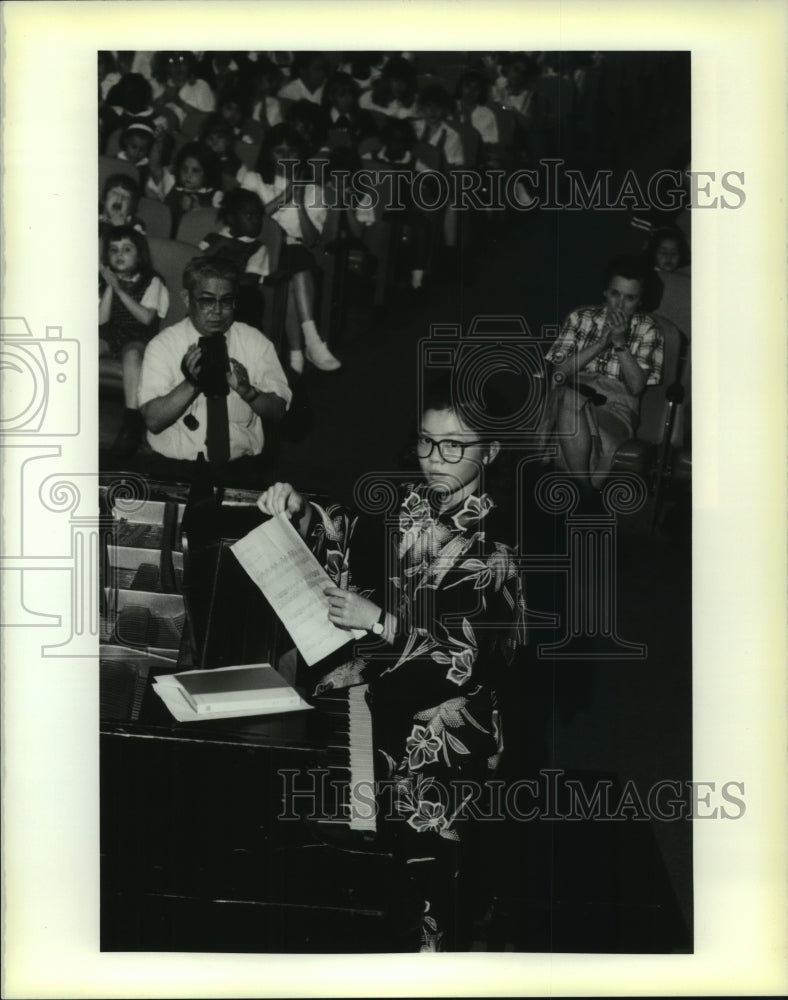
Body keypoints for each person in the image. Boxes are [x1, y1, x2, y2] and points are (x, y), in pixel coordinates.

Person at [256, 376, 527, 951]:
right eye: (427, 442)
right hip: (390, 702)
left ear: (492, 451)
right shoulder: (414, 501)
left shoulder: (500, 546)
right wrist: (302, 510)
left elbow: (469, 658)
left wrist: (379, 622)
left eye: (455, 445)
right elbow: (352, 537)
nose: (435, 459)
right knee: (386, 868)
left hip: (448, 737)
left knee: (431, 879)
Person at [138, 257, 291, 473]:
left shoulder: (255, 342)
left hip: (240, 467)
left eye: (226, 301)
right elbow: (153, 421)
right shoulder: (163, 345)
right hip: (174, 466)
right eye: (207, 301)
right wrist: (191, 383)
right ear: (186, 298)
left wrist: (249, 393)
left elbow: (278, 412)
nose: (217, 311)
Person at [542, 254, 664, 489]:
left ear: (640, 301)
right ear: (605, 293)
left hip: (615, 409)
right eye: (615, 294)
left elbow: (637, 387)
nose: (619, 304)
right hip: (570, 397)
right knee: (569, 396)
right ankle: (586, 491)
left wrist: (619, 344)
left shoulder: (650, 329)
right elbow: (558, 375)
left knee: (568, 421)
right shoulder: (580, 317)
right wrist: (600, 344)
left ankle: (580, 491)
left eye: (630, 298)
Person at [241, 123, 341, 373]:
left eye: (291, 152)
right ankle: (311, 344)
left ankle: (297, 359)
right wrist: (283, 198)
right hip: (256, 251)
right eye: (278, 152)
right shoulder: (253, 180)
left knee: (296, 262)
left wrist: (298, 202)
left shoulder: (314, 191)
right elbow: (247, 222)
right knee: (297, 261)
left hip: (295, 256)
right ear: (268, 154)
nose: (285, 158)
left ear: (300, 156)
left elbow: (311, 240)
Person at [99, 225, 170, 457]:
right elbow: (102, 320)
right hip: (111, 334)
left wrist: (119, 290)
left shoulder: (153, 282)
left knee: (132, 355)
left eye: (126, 249)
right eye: (113, 249)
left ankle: (131, 422)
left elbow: (146, 317)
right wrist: (110, 285)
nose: (119, 254)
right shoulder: (106, 282)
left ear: (139, 255)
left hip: (139, 336)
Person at [198, 188, 269, 328]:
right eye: (249, 215)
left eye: (258, 216)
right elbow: (195, 264)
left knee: (251, 298)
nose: (256, 221)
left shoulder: (257, 247)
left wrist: (221, 283)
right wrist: (219, 245)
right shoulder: (212, 239)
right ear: (231, 218)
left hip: (236, 299)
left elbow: (250, 281)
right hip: (207, 293)